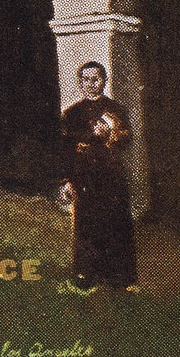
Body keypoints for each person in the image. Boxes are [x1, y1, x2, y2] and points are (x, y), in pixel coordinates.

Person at [57, 61, 138, 290]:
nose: (91, 84)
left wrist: (110, 134)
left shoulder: (115, 109)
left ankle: (120, 277)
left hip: (111, 175)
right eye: (85, 79)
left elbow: (126, 139)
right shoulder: (71, 114)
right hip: (84, 177)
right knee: (86, 224)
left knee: (116, 223)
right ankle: (86, 274)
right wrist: (66, 181)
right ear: (80, 83)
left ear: (104, 80)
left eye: (96, 79)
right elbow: (65, 150)